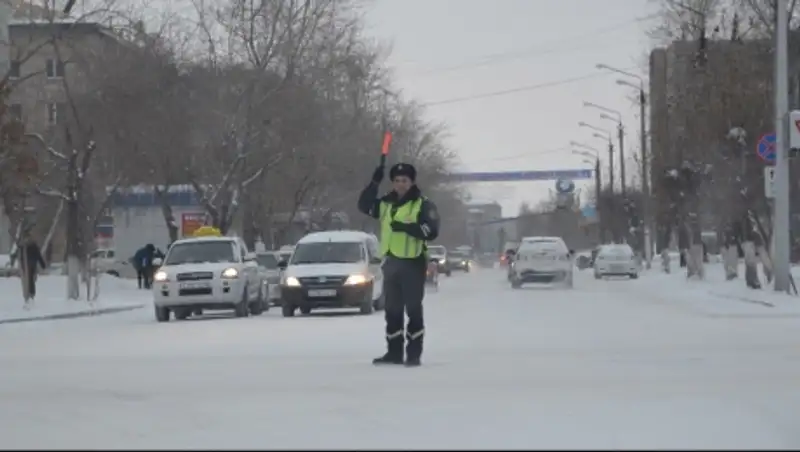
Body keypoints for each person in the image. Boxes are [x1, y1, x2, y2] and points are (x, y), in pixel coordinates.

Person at [358, 162, 440, 367]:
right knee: (392, 309)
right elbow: (364, 205)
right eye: (396, 181)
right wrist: (374, 182)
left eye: (404, 181)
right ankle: (394, 352)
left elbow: (431, 231)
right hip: (391, 262)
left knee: (413, 309)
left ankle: (413, 353)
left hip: (413, 262)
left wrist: (405, 227)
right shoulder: (386, 204)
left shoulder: (422, 204)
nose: (400, 184)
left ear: (411, 182)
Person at [15, 233, 46, 304]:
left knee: (29, 280)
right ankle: (30, 294)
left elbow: (38, 255)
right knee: (30, 280)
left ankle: (30, 295)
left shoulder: (24, 246)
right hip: (29, 265)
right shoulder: (26, 246)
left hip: (29, 266)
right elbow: (38, 255)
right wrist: (42, 264)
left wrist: (42, 264)